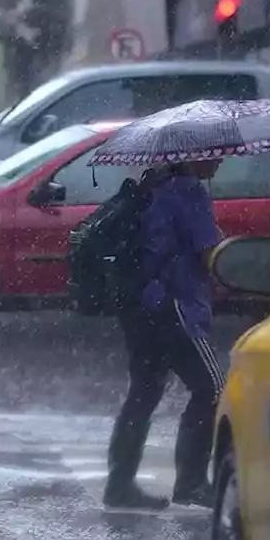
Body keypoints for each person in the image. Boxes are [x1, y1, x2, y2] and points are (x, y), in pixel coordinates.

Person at [104, 159, 226, 510]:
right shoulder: (189, 191)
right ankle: (190, 483)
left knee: (144, 391)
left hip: (141, 304)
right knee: (212, 388)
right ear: (189, 153)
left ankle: (120, 484)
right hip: (175, 307)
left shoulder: (152, 185)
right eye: (211, 152)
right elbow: (209, 255)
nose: (219, 158)